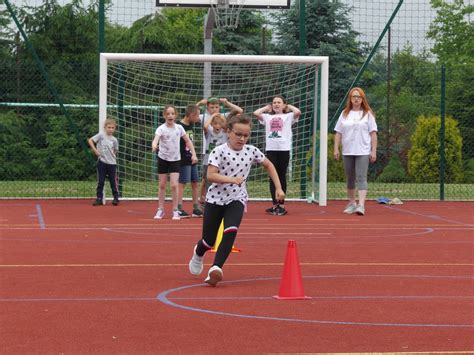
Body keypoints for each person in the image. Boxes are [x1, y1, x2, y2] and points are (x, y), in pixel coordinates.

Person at [188, 113, 285, 287]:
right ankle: (198, 252)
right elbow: (210, 175)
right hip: (215, 200)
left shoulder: (251, 151)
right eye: (238, 134)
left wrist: (278, 187)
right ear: (228, 132)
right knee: (208, 241)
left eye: (245, 135)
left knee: (231, 230)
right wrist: (231, 179)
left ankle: (216, 268)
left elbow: (269, 164)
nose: (242, 138)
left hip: (237, 199)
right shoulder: (218, 151)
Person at [253, 96, 301, 216]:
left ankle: (281, 204)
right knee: (272, 176)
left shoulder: (288, 116)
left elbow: (298, 112)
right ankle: (275, 204)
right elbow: (256, 113)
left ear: (284, 105)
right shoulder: (267, 117)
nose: (276, 104)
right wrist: (267, 107)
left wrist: (288, 106)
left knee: (281, 175)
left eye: (279, 102)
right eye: (274, 102)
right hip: (271, 149)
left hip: (284, 149)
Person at [333, 87, 378, 216]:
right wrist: (336, 148)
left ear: (362, 99)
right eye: (354, 97)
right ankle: (352, 203)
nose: (356, 99)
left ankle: (361, 205)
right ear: (350, 99)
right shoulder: (344, 113)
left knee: (361, 177)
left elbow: (373, 134)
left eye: (359, 97)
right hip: (347, 150)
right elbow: (338, 132)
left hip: (363, 150)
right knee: (350, 178)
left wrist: (373, 150)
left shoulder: (367, 113)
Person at [152, 105, 197, 220]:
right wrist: (154, 145)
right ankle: (160, 209)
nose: (170, 116)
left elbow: (188, 141)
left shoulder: (179, 128)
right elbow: (156, 139)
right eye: (168, 114)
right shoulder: (161, 128)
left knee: (174, 185)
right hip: (163, 159)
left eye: (172, 113)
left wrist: (194, 154)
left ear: (176, 115)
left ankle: (175, 210)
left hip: (175, 159)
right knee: (162, 185)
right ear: (164, 115)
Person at [196, 97, 243, 205]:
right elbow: (192, 113)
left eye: (216, 107)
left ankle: (225, 199)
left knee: (222, 177)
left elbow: (239, 111)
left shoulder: (224, 116)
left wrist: (227, 103)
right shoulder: (205, 117)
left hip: (223, 156)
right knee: (206, 179)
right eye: (212, 107)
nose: (214, 109)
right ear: (207, 108)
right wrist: (200, 103)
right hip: (208, 154)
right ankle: (203, 200)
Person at [177, 104, 203, 218]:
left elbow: (192, 107)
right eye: (197, 116)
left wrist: (201, 102)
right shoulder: (178, 126)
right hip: (183, 158)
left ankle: (196, 208)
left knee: (195, 182)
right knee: (182, 183)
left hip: (192, 157)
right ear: (191, 115)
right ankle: (178, 208)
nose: (198, 118)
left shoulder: (190, 124)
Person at [88, 118, 120, 206]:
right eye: (109, 127)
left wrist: (112, 156)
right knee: (101, 181)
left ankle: (116, 198)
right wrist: (95, 151)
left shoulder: (114, 140)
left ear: (114, 129)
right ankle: (99, 198)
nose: (110, 129)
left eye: (112, 128)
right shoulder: (101, 135)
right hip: (102, 162)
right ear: (105, 127)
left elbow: (115, 150)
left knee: (113, 181)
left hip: (112, 163)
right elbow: (90, 140)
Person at [201, 113, 228, 203]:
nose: (217, 126)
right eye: (215, 124)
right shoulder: (209, 133)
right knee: (208, 183)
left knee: (221, 182)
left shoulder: (225, 133)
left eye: (219, 124)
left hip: (221, 162)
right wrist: (212, 116)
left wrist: (221, 118)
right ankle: (208, 201)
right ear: (212, 124)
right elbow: (205, 126)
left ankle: (222, 201)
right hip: (208, 161)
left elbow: (228, 126)